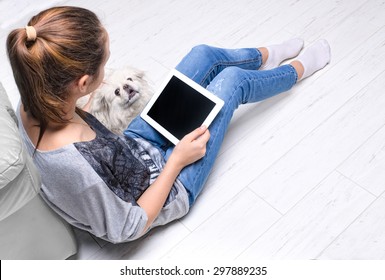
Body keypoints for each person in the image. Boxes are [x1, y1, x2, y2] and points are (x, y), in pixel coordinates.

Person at [7, 6, 331, 243]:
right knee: (231, 82)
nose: (108, 69)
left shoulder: (35, 97)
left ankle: (267, 56)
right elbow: (128, 226)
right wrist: (176, 161)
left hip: (133, 149)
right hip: (164, 190)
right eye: (105, 64)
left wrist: (92, 105)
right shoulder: (74, 167)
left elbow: (97, 143)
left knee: (202, 55)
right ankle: (299, 70)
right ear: (82, 82)